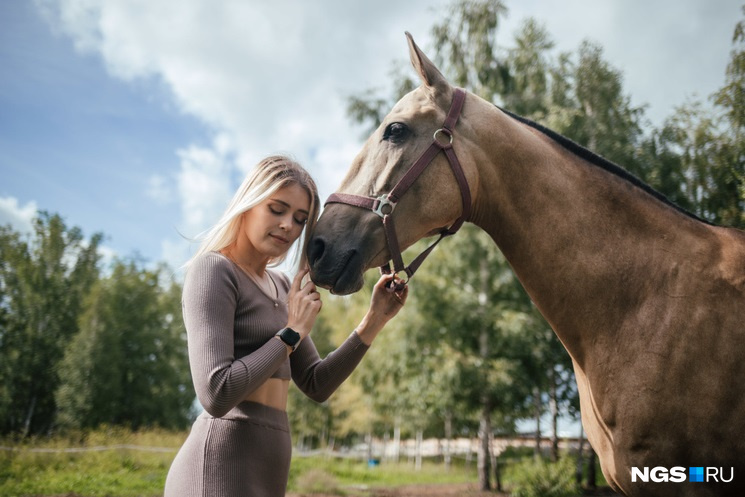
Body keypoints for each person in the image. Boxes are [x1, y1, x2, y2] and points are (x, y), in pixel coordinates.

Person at [164, 155, 408, 497]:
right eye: (276, 209)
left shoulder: (281, 285)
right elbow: (216, 393)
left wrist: (375, 319)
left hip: (272, 459)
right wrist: (291, 333)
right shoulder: (214, 270)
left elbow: (316, 384)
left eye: (299, 219)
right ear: (248, 204)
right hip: (220, 464)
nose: (287, 226)